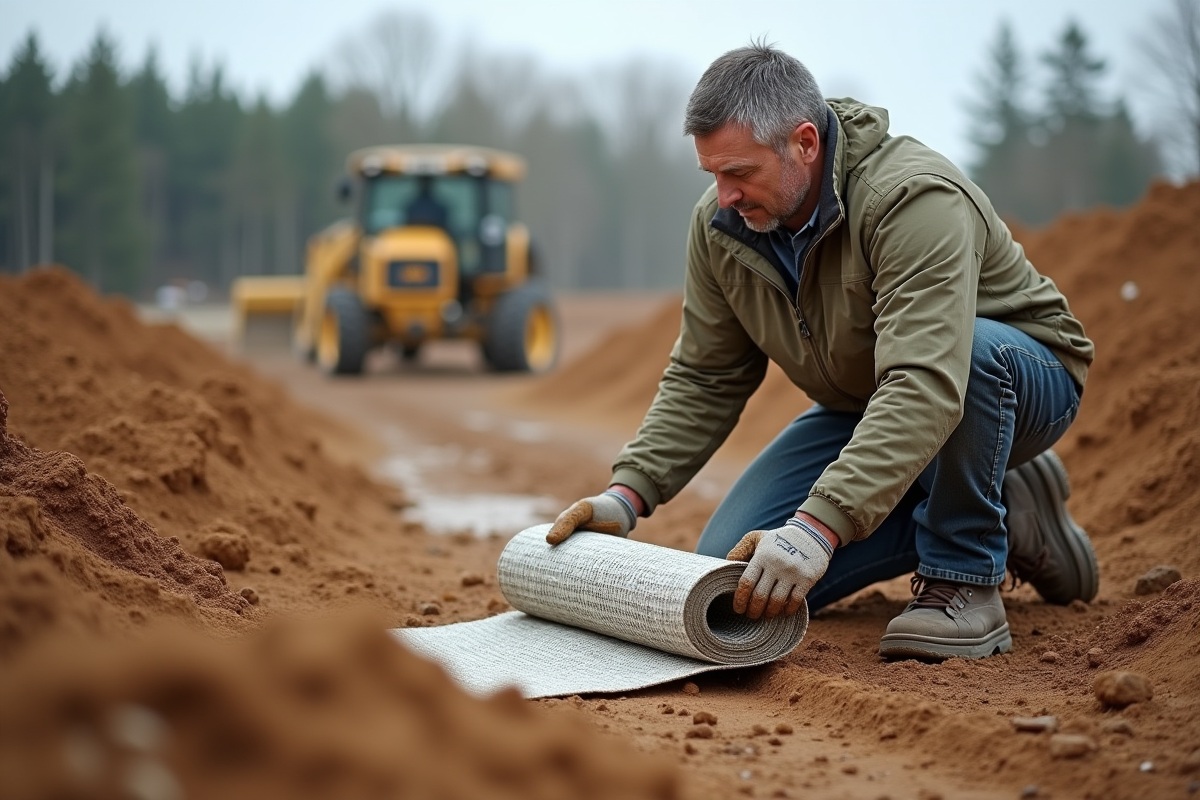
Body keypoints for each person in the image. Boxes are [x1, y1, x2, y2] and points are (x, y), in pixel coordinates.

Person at [547, 43, 1097, 661]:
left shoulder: (914, 200)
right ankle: (1010, 508)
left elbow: (925, 378)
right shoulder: (723, 227)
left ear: (804, 143)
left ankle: (965, 574)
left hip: (1013, 380)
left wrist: (816, 527)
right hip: (869, 403)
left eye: (739, 173)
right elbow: (706, 376)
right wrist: (627, 495)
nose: (723, 195)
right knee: (728, 576)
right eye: (713, 175)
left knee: (971, 355)